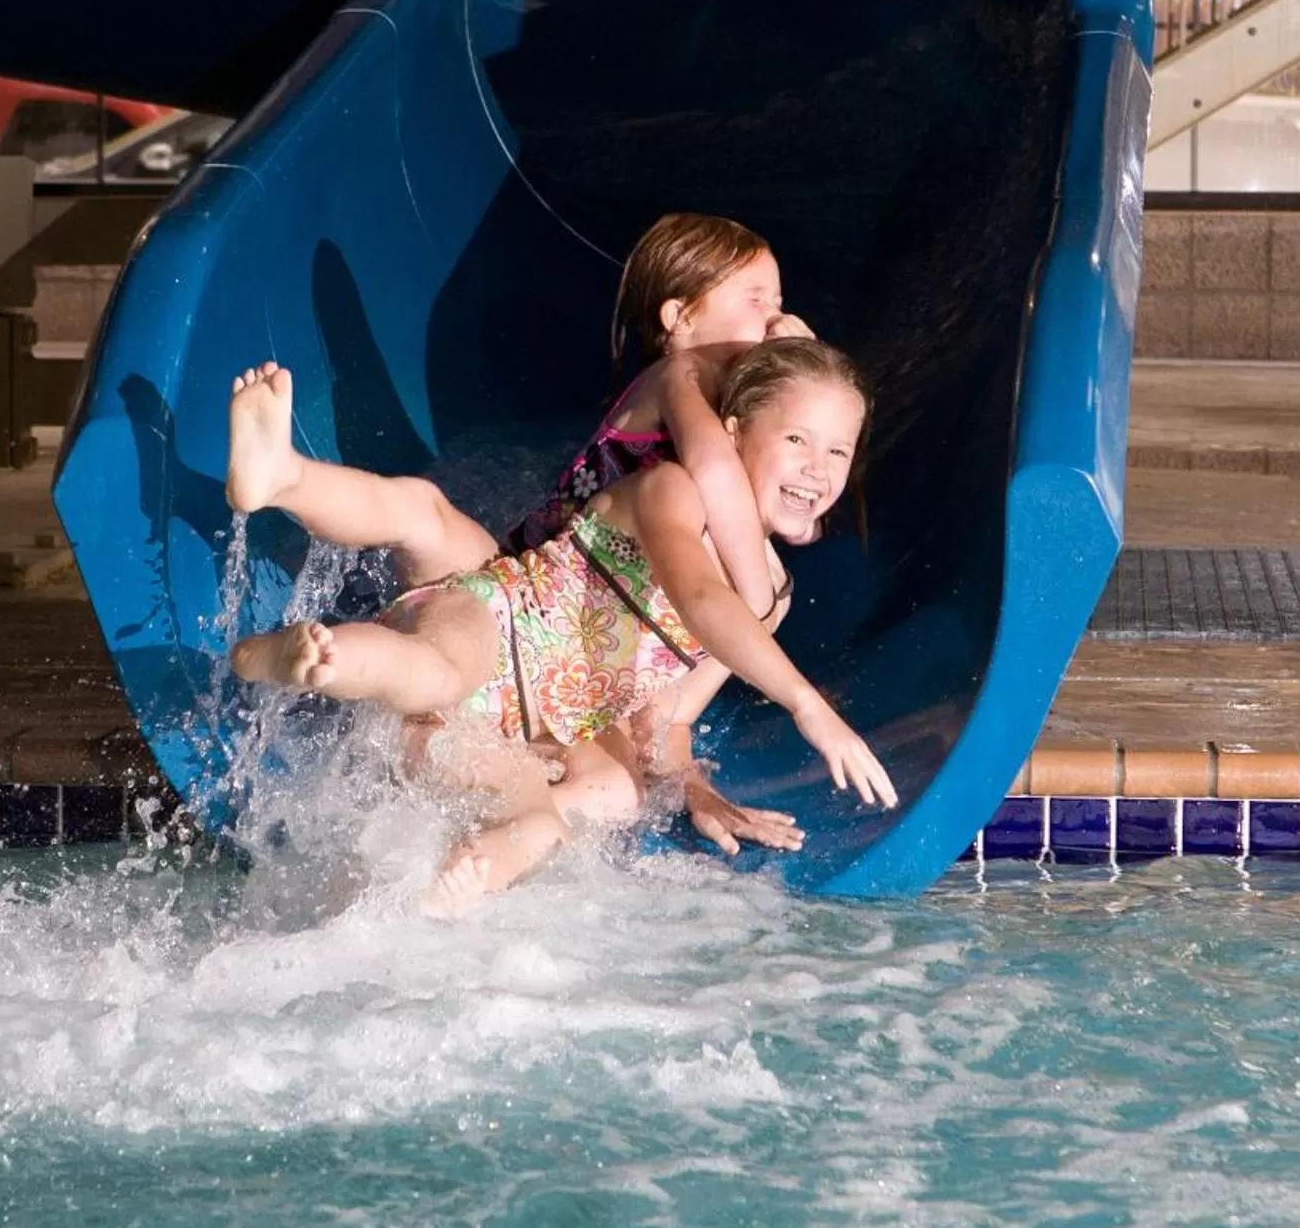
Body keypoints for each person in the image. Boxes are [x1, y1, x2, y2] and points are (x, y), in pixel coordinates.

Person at [229, 340, 896, 911]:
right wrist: (806, 704)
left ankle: (456, 886)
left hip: (520, 729)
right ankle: (310, 635)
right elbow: (697, 595)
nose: (819, 466)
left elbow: (667, 719)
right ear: (732, 432)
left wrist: (694, 786)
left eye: (839, 450)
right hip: (500, 625)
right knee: (436, 669)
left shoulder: (771, 597)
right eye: (796, 440)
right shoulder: (673, 490)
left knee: (538, 825)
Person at [224, 212, 810, 623]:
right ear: (679, 317)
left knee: (419, 515)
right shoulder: (681, 376)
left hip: (555, 618)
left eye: (781, 305)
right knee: (419, 510)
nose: (775, 319)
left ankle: (292, 491)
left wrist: (803, 373)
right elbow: (713, 468)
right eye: (757, 302)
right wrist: (755, 604)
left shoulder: (737, 403)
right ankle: (285, 478)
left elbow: (794, 501)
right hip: (521, 585)